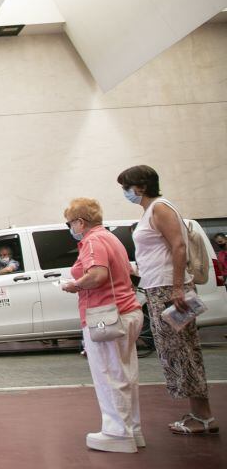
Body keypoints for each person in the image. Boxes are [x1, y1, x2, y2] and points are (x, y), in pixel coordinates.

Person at [117, 165, 218, 435]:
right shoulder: (150, 211)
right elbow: (159, 253)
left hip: (168, 290)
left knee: (183, 352)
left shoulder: (161, 208)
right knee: (177, 353)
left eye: (126, 187)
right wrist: (136, 269)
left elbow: (178, 246)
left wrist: (176, 288)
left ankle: (203, 416)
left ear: (140, 186)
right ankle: (200, 413)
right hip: (158, 288)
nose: (125, 192)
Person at [61, 198, 143, 453]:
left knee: (108, 374)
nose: (70, 227)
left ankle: (117, 432)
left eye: (70, 223)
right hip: (128, 310)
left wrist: (74, 285)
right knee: (126, 374)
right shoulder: (110, 238)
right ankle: (132, 429)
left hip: (106, 314)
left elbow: (97, 275)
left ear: (80, 222)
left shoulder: (92, 241)